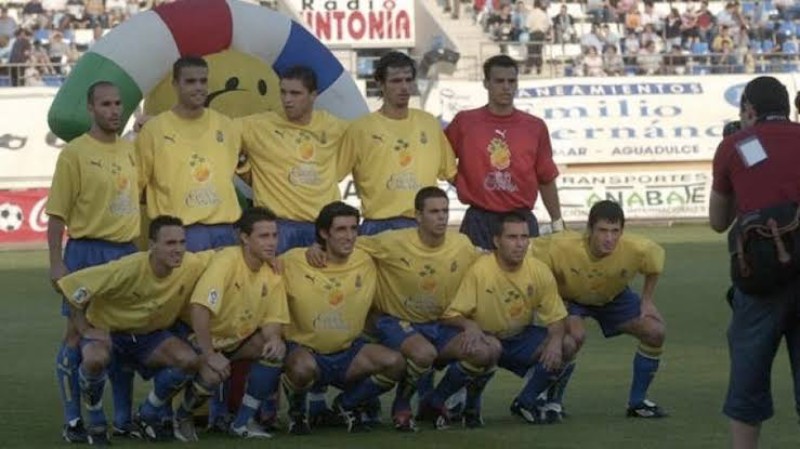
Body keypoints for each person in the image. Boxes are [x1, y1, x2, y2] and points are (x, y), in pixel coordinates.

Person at [307, 187, 488, 430]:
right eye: (434, 211)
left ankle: (433, 402)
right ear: (418, 216)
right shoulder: (392, 241)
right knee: (423, 354)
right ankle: (399, 405)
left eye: (445, 211)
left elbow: (487, 262)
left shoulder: (462, 244)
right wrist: (315, 247)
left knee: (485, 352)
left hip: (439, 323)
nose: (441, 217)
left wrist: (469, 322)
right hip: (396, 322)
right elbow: (347, 243)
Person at [56, 216, 216, 445]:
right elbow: (72, 287)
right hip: (111, 333)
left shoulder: (191, 263)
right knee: (93, 360)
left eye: (182, 242)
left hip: (149, 337)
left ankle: (148, 412)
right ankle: (96, 419)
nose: (178, 249)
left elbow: (222, 255)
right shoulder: (126, 268)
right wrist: (83, 328)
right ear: (152, 245)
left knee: (189, 361)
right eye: (170, 243)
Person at [46, 80, 140, 443]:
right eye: (105, 104)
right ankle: (73, 420)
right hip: (86, 252)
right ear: (90, 109)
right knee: (75, 333)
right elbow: (56, 215)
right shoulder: (75, 153)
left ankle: (123, 419)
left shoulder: (130, 151)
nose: (114, 110)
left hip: (126, 254)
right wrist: (57, 263)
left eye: (118, 104)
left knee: (120, 336)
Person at [709, 76, 800, 449]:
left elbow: (718, 221)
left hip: (760, 278)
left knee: (748, 381)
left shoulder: (734, 146)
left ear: (748, 109)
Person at [530, 200, 667, 421]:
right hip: (572, 298)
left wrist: (647, 300)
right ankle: (553, 400)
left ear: (623, 231)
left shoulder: (638, 248)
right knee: (575, 336)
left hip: (613, 297)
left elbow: (654, 265)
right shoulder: (561, 245)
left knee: (655, 332)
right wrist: (551, 298)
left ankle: (637, 402)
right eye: (603, 231)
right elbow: (528, 260)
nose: (609, 238)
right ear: (589, 230)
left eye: (615, 231)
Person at [434, 212, 572, 426]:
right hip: (485, 337)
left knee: (566, 343)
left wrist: (554, 341)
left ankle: (526, 401)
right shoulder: (480, 270)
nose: (520, 244)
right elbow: (451, 314)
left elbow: (556, 317)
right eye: (512, 237)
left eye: (524, 237)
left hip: (518, 338)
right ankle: (445, 401)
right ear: (497, 241)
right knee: (484, 349)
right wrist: (469, 324)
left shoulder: (539, 270)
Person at [280, 202, 405, 434]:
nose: (349, 236)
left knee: (395, 363)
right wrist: (313, 247)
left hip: (349, 353)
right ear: (324, 233)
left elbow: (403, 245)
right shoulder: (293, 261)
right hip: (307, 351)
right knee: (301, 368)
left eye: (353, 229)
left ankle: (346, 405)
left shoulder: (366, 257)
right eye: (341, 230)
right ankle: (297, 413)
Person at [172, 207, 290, 440]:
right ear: (245, 238)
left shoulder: (273, 271)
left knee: (275, 350)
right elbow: (200, 307)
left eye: (274, 235)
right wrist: (209, 353)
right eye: (263, 236)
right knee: (213, 373)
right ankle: (182, 415)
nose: (271, 242)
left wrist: (275, 337)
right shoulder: (227, 260)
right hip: (197, 336)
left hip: (234, 341)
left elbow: (273, 319)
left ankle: (241, 422)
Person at [444, 55, 563, 250]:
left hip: (521, 220)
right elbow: (440, 159)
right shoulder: (465, 122)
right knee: (477, 279)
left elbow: (546, 177)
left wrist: (557, 221)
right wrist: (461, 182)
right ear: (486, 83)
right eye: (499, 81)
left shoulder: (534, 126)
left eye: (511, 81)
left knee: (523, 280)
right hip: (479, 219)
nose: (506, 86)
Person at [337, 51, 457, 236]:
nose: (404, 87)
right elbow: (331, 176)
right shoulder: (360, 129)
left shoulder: (430, 124)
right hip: (378, 228)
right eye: (396, 81)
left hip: (423, 227)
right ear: (380, 84)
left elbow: (452, 175)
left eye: (408, 80)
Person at [136, 56, 243, 253]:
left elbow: (240, 169)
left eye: (203, 81)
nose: (199, 87)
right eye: (190, 81)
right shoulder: (154, 130)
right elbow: (137, 186)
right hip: (180, 235)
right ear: (175, 84)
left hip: (225, 231)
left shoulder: (226, 125)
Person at [239, 65, 349, 254]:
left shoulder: (335, 127)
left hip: (321, 228)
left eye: (295, 93)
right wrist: (244, 170)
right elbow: (218, 138)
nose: (287, 100)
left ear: (313, 95)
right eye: (283, 92)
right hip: (279, 229)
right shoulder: (256, 126)